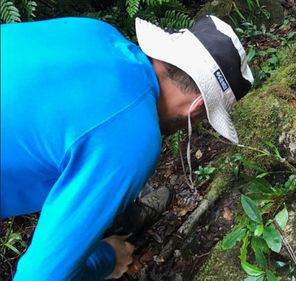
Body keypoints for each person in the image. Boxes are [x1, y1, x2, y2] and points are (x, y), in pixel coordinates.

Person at [0, 14, 253, 280]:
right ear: (198, 107)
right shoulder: (132, 139)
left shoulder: (94, 31)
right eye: (205, 119)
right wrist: (107, 260)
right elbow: (39, 276)